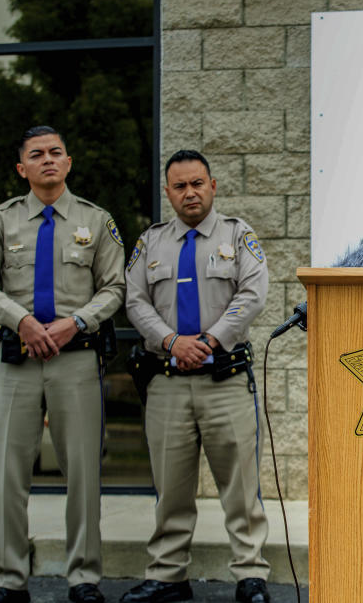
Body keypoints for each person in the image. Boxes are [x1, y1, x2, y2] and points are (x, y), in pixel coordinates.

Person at [0, 126, 126, 603]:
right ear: (23, 168)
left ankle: (83, 578)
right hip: (16, 362)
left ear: (69, 162)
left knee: (82, 476)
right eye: (37, 154)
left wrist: (73, 322)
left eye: (56, 152)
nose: (48, 159)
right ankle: (9, 580)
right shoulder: (1, 220)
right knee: (9, 476)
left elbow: (115, 288)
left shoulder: (97, 221)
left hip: (75, 361)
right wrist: (23, 322)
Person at [122, 150, 271, 603]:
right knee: (171, 488)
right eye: (180, 186)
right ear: (168, 192)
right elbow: (134, 301)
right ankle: (168, 577)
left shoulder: (237, 235)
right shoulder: (150, 243)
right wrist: (172, 341)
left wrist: (207, 341)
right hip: (167, 383)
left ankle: (251, 576)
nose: (190, 192)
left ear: (213, 186)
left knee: (241, 489)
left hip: (225, 380)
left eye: (197, 183)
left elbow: (254, 293)